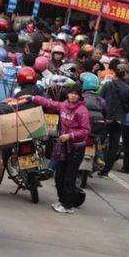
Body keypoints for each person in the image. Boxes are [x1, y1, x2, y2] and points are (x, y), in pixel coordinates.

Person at [32, 83, 91, 213]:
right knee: (59, 176)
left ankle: (68, 205)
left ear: (79, 96)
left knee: (69, 178)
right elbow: (50, 104)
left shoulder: (82, 111)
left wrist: (70, 136)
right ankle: (62, 200)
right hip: (63, 147)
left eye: (76, 94)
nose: (73, 96)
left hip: (76, 149)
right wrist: (32, 98)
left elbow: (86, 130)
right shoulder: (64, 105)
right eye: (71, 93)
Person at [98, 65, 129, 177]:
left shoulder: (108, 85)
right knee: (113, 147)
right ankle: (106, 170)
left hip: (105, 118)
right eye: (128, 73)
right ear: (124, 74)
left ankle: (97, 161)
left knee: (99, 140)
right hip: (119, 120)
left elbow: (100, 99)